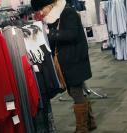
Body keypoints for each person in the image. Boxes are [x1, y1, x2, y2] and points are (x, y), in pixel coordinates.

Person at [31, 0, 96, 132]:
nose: (41, 12)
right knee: (75, 92)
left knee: (75, 92)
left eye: (42, 8)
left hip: (75, 61)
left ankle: (82, 128)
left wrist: (50, 33)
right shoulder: (55, 17)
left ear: (49, 5)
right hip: (69, 62)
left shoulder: (67, 12)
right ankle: (90, 122)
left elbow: (71, 34)